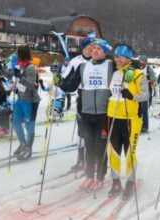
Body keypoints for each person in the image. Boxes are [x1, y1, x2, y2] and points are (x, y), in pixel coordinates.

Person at [56, 39, 113, 191]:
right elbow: (70, 86)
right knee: (89, 146)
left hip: (104, 113)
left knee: (101, 147)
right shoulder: (82, 67)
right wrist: (59, 81)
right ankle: (89, 176)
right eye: (94, 48)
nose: (95, 50)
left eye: (99, 49)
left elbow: (127, 66)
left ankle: (100, 177)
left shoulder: (111, 66)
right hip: (86, 112)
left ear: (105, 52)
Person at [107, 44, 148, 200]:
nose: (117, 59)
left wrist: (131, 95)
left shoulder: (138, 74)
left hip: (131, 118)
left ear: (129, 58)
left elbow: (145, 96)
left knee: (129, 152)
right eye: (116, 56)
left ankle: (130, 181)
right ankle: (116, 181)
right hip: (113, 116)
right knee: (113, 152)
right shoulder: (115, 73)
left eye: (121, 57)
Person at [0, 45, 41, 160]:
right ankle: (22, 143)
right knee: (15, 122)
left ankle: (29, 148)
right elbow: (11, 76)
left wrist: (20, 77)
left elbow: (31, 85)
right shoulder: (20, 66)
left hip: (30, 101)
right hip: (20, 99)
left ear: (22, 54)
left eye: (17, 53)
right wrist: (0, 68)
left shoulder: (31, 68)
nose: (15, 54)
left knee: (29, 125)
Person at [62, 36, 95, 170]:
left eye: (95, 46)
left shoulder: (99, 61)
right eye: (91, 46)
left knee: (96, 129)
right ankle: (81, 159)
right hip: (82, 96)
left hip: (98, 97)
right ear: (84, 47)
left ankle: (95, 158)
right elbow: (65, 79)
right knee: (82, 129)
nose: (94, 48)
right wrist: (57, 80)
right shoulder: (76, 62)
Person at [138, 55, 156, 132]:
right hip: (137, 90)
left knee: (144, 109)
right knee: (138, 109)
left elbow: (154, 78)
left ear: (145, 62)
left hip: (146, 90)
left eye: (142, 61)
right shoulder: (137, 68)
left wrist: (148, 79)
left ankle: (145, 126)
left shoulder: (148, 69)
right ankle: (138, 125)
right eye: (140, 60)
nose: (140, 62)